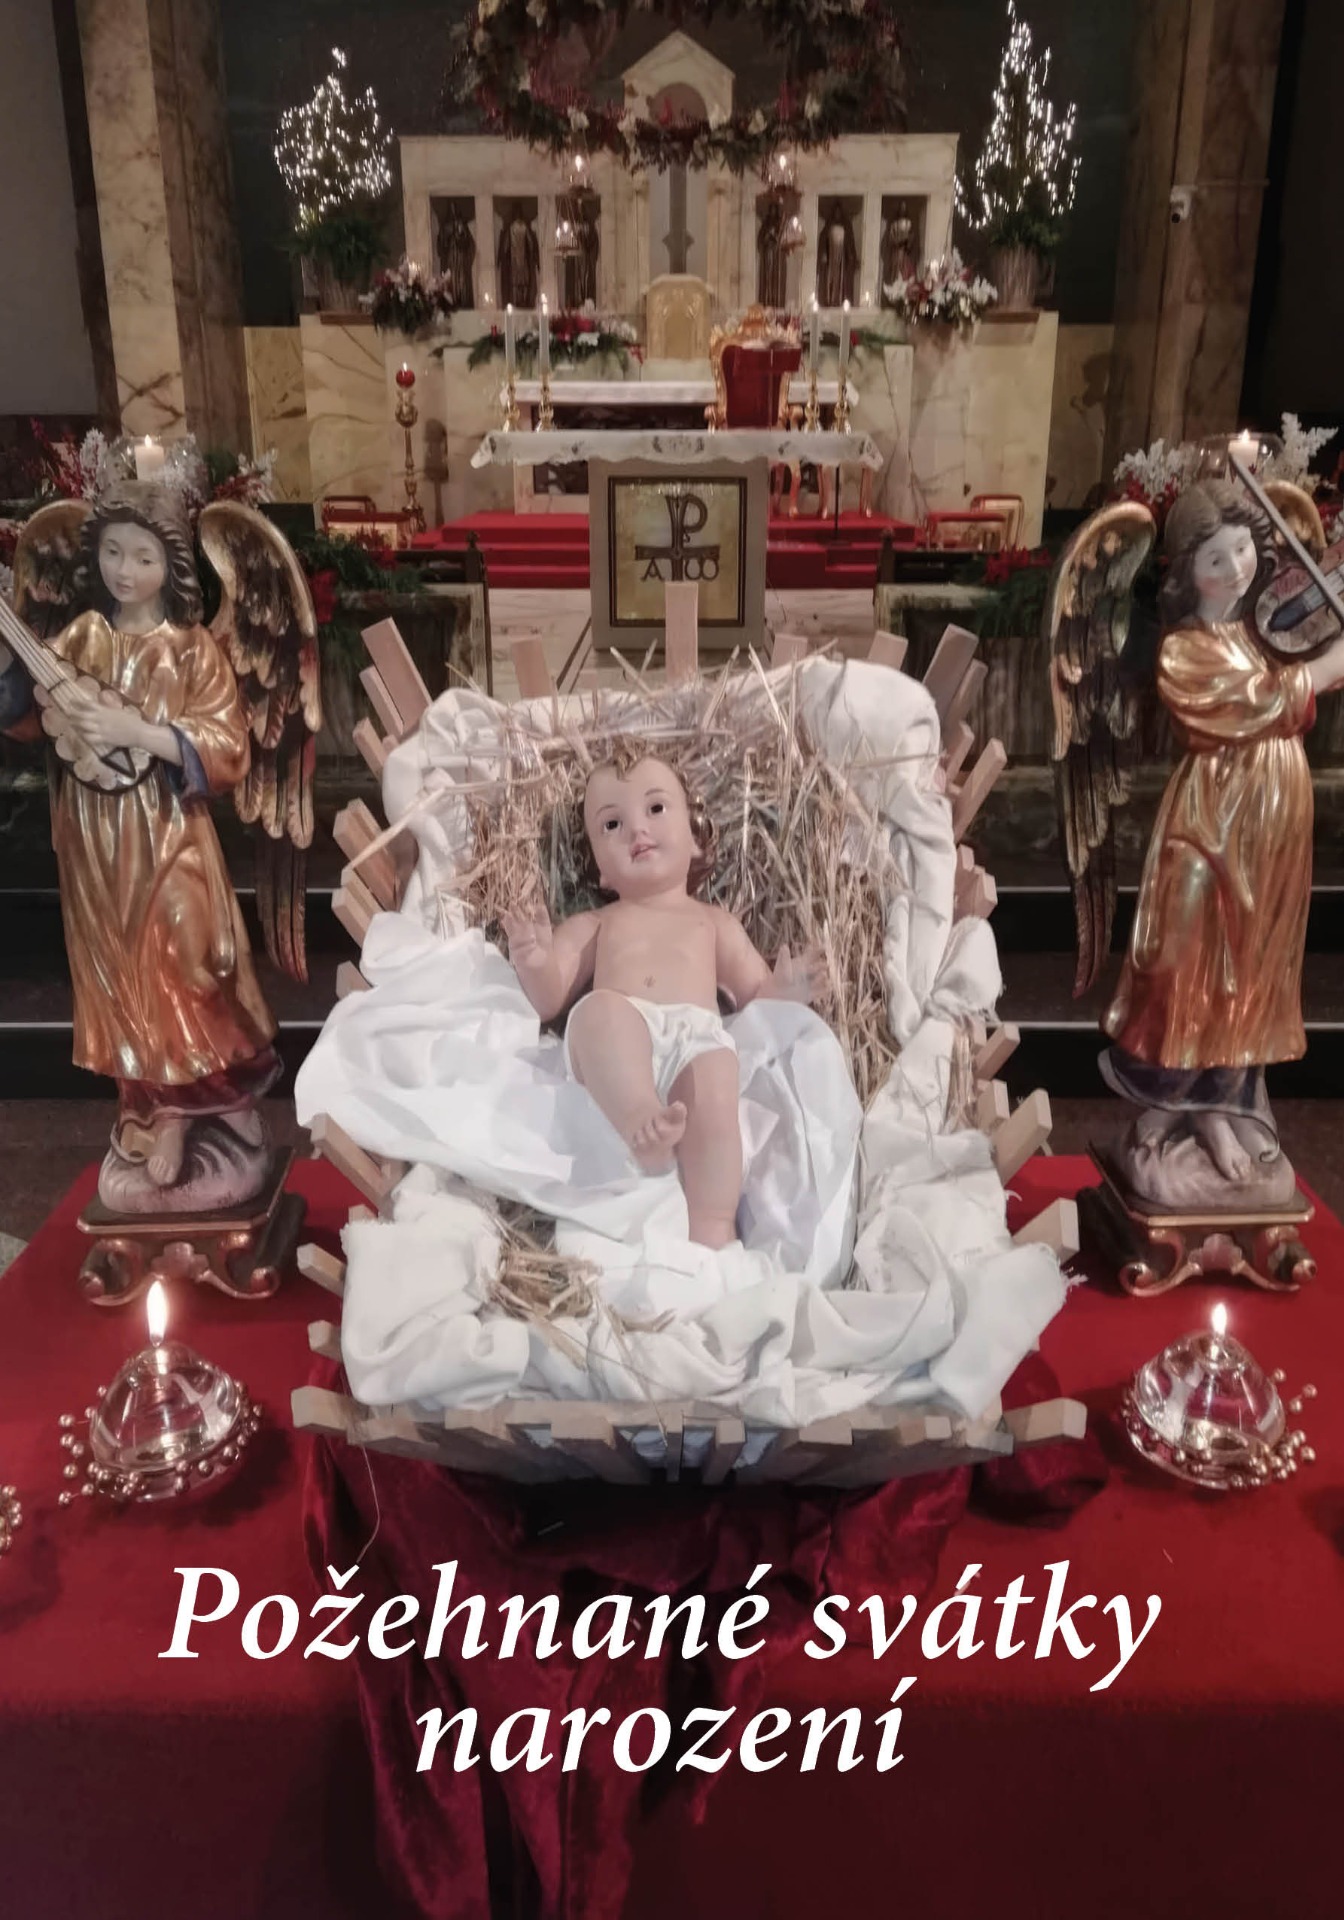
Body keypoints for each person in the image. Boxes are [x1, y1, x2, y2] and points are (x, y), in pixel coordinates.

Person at [0, 486, 279, 1207]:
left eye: (144, 556)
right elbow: (29, 715)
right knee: (121, 976)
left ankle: (213, 1104)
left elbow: (228, 746)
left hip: (169, 833)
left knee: (190, 960)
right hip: (94, 841)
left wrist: (140, 734)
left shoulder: (191, 649)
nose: (126, 570)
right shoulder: (82, 639)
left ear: (171, 564)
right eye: (113, 553)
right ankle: (154, 1112)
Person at [1100, 479, 1344, 1203]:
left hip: (1273, 828)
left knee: (1255, 965)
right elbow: (1261, 702)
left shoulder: (1260, 632)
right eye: (1215, 559)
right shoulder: (1183, 652)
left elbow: (1292, 672)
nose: (1236, 569)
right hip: (1210, 828)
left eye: (1242, 550)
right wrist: (1327, 669)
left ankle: (1231, 1103)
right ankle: (1187, 1108)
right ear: (1187, 573)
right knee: (1193, 963)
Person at [501, 748, 823, 1248]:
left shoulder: (713, 923)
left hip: (696, 1040)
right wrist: (535, 960)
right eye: (612, 824)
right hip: (621, 1049)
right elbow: (550, 1000)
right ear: (601, 871)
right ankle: (640, 1120)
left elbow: (756, 1002)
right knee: (599, 1014)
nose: (637, 829)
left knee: (718, 1071)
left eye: (655, 808)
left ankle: (712, 1223)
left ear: (694, 838)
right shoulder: (597, 923)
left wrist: (785, 991)